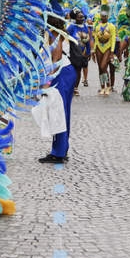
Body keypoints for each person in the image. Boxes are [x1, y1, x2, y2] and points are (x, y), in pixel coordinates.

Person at [39, 16, 75, 164]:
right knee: (61, 112)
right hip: (66, 72)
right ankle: (61, 149)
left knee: (58, 112)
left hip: (62, 74)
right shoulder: (57, 33)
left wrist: (47, 82)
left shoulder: (55, 34)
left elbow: (56, 58)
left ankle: (58, 153)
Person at [66, 9, 92, 96]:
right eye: (79, 17)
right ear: (75, 18)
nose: (82, 19)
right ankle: (71, 87)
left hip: (83, 52)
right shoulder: (71, 27)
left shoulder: (85, 27)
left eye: (82, 17)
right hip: (73, 53)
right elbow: (66, 38)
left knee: (79, 70)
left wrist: (89, 51)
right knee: (73, 70)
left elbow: (88, 41)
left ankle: (75, 88)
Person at [93, 8, 116, 95]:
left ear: (107, 17)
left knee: (103, 67)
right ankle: (102, 87)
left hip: (107, 48)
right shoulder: (97, 27)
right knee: (100, 69)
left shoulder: (111, 26)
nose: (103, 18)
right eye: (102, 16)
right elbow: (95, 39)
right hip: (99, 48)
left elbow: (113, 39)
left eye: (105, 16)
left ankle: (108, 85)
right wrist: (93, 51)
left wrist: (112, 51)